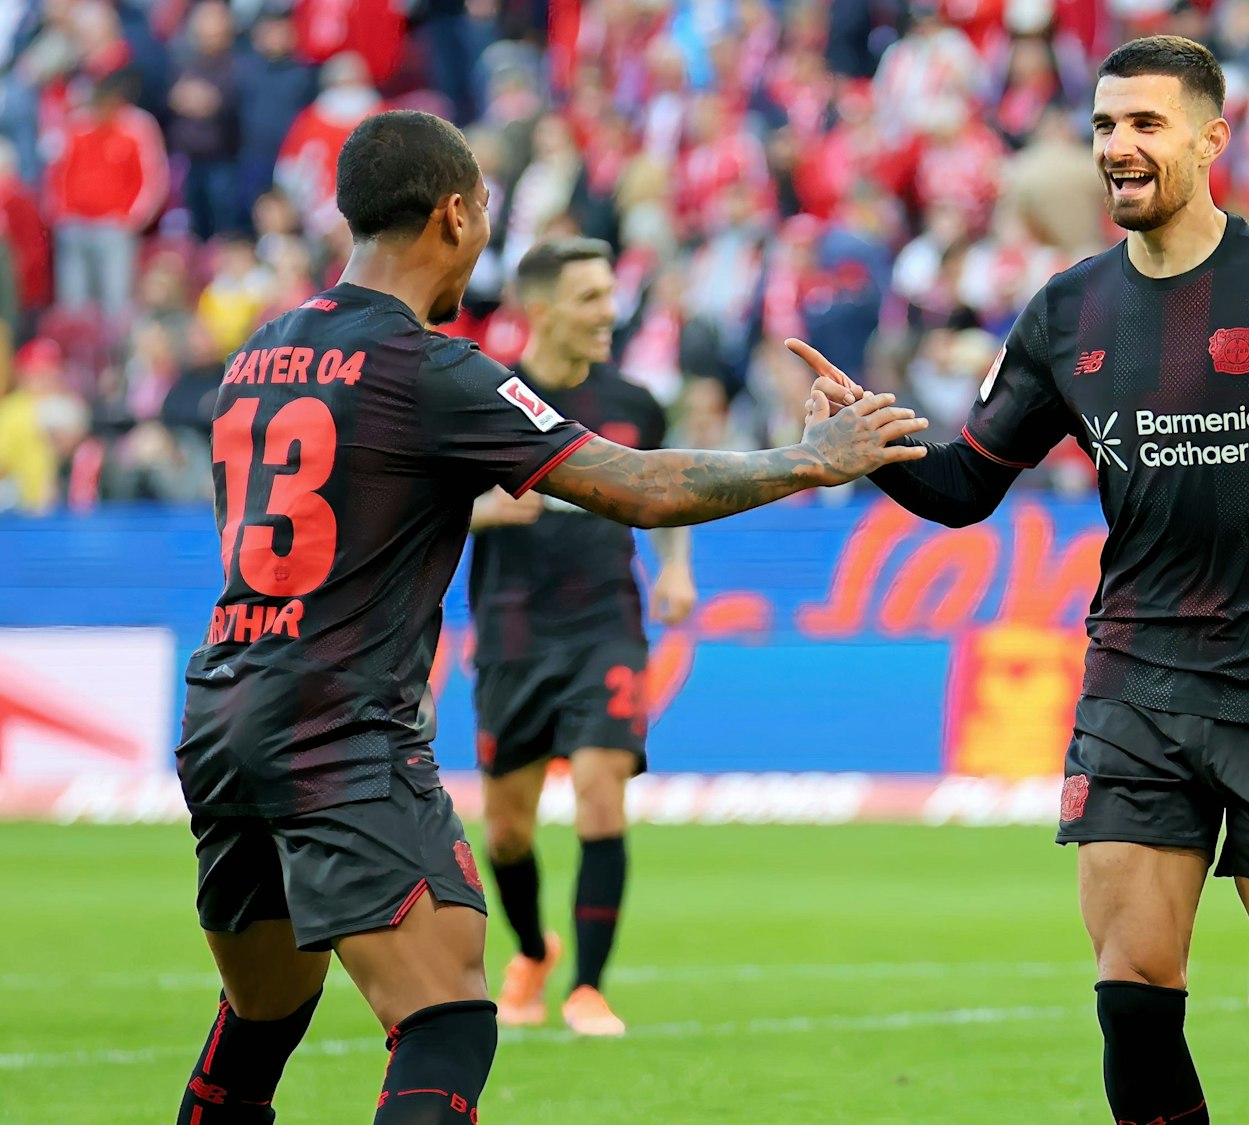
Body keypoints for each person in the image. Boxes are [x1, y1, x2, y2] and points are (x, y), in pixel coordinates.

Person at [171, 109, 926, 1125]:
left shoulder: (261, 354)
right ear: (454, 214)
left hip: (222, 714)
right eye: (484, 209)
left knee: (260, 1019)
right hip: (336, 721)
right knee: (447, 1022)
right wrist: (810, 461)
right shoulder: (433, 368)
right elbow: (635, 488)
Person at [793, 36, 1249, 1124]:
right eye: (1102, 127)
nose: (1117, 148)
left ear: (1208, 138)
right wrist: (866, 451)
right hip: (1135, 678)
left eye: (1143, 125)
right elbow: (965, 486)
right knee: (1132, 986)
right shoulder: (1064, 311)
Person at [466, 237, 698, 1038]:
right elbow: (421, 497)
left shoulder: (636, 402)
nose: (610, 312)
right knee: (506, 827)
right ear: (540, 309)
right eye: (591, 298)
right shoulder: (484, 398)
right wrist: (481, 507)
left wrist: (674, 567)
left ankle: (588, 989)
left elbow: (669, 493)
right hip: (513, 630)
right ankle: (533, 950)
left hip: (606, 622)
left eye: (610, 294)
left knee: (602, 792)